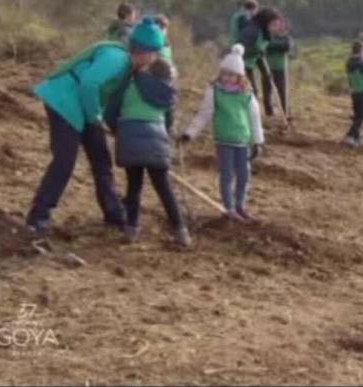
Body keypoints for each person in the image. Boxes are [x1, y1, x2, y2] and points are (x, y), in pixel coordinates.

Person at [26, 18, 165, 234]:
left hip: (82, 107)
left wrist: (114, 128)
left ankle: (114, 214)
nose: (156, 58)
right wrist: (94, 118)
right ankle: (38, 218)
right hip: (65, 102)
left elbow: (107, 99)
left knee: (101, 159)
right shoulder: (117, 58)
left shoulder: (127, 66)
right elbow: (89, 84)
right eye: (155, 53)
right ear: (145, 52)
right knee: (64, 161)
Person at [104, 54, 191, 248]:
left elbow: (111, 112)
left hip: (130, 138)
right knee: (164, 188)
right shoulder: (167, 93)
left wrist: (117, 129)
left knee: (134, 187)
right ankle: (180, 230)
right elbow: (169, 122)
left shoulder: (129, 85)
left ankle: (132, 229)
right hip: (156, 140)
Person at [180, 44, 265, 222]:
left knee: (244, 175)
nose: (228, 78)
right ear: (220, 73)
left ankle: (241, 205)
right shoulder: (214, 92)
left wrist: (258, 141)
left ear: (239, 76)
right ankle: (229, 208)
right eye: (225, 73)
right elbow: (204, 114)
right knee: (226, 175)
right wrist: (189, 133)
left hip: (243, 141)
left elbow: (255, 119)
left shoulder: (247, 95)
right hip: (224, 141)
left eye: (232, 75)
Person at [237, 7, 286, 116]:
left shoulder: (265, 32)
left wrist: (265, 72)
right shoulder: (252, 31)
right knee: (251, 93)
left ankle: (252, 119)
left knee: (253, 93)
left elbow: (260, 53)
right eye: (273, 25)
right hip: (240, 65)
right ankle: (248, 121)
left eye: (277, 25)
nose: (275, 28)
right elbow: (239, 49)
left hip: (250, 63)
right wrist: (256, 51)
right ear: (266, 22)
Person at [265, 18, 294, 117]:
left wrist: (272, 45)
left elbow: (286, 47)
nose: (278, 27)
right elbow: (265, 46)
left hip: (280, 68)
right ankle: (269, 113)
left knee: (282, 91)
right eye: (276, 25)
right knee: (267, 91)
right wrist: (273, 46)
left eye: (281, 25)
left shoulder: (286, 38)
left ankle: (285, 112)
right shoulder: (267, 37)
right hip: (267, 67)